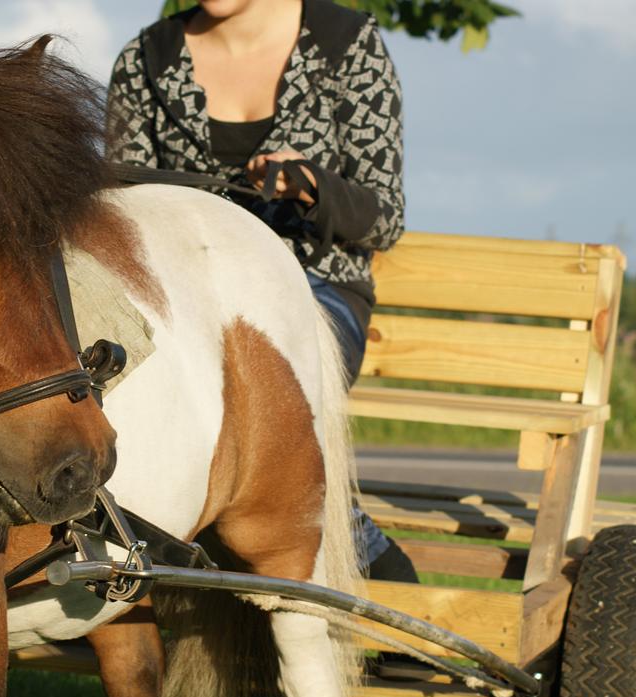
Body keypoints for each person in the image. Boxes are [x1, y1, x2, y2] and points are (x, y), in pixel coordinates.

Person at [106, 0, 417, 581]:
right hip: (184, 298)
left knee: (257, 394)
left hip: (315, 289)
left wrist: (314, 186)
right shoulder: (145, 59)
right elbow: (125, 210)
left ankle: (353, 544)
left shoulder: (347, 45)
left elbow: (385, 218)